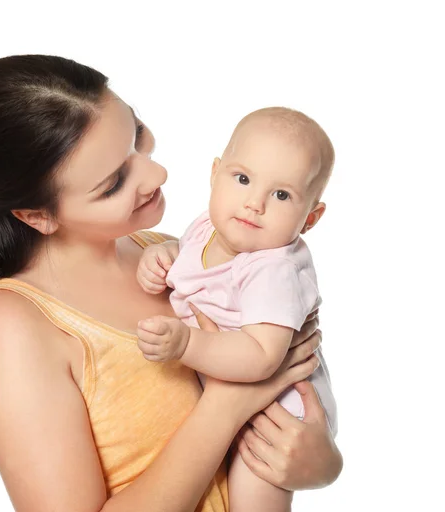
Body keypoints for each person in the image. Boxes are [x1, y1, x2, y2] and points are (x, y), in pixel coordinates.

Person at [0, 54, 342, 511]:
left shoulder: (173, 254)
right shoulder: (7, 324)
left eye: (138, 139)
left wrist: (321, 464)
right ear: (36, 215)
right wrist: (226, 408)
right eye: (114, 182)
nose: (157, 174)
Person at [136, 107, 338, 511]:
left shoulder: (274, 268)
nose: (254, 203)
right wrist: (165, 253)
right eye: (243, 179)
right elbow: (196, 264)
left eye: (281, 195)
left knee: (254, 485)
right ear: (215, 174)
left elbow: (262, 357)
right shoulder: (208, 227)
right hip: (234, 394)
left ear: (310, 218)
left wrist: (186, 344)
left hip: (280, 411)